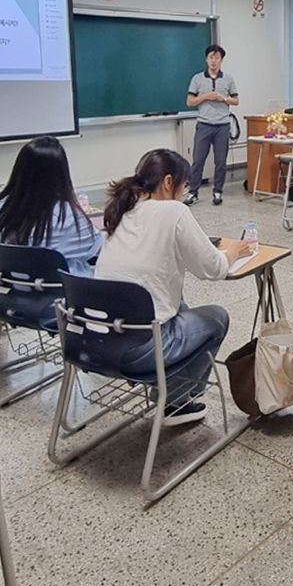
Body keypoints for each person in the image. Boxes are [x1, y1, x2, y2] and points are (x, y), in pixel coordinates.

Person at [94, 149, 251, 425]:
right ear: (169, 182)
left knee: (180, 306)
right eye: (185, 185)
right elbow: (213, 268)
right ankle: (177, 402)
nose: (184, 192)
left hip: (97, 342)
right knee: (217, 317)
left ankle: (169, 393)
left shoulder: (122, 208)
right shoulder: (174, 211)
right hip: (140, 349)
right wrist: (234, 252)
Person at [0, 136, 102, 275]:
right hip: (58, 287)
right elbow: (95, 247)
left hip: (10, 286)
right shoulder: (67, 216)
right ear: (61, 174)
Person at [183, 44, 239, 206]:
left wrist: (224, 99)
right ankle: (193, 192)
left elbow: (236, 100)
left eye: (217, 58)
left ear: (221, 60)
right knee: (198, 160)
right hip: (204, 124)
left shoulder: (228, 79)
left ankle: (218, 191)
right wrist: (205, 96)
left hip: (222, 126)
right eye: (211, 58)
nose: (214, 61)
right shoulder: (197, 79)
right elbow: (189, 101)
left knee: (220, 161)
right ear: (206, 59)